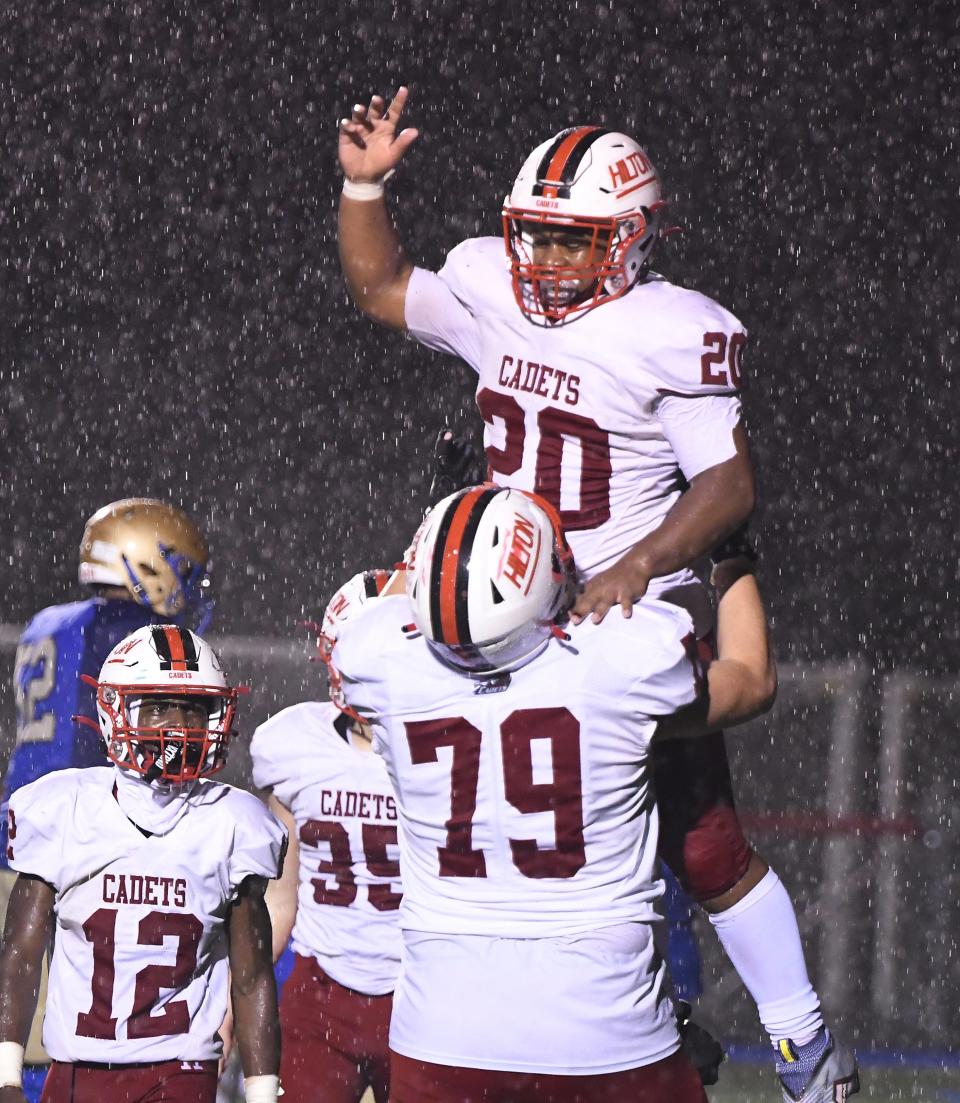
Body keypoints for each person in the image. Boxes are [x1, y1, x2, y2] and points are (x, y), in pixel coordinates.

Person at [336, 91, 857, 1102]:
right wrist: (364, 185)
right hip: (490, 612)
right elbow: (381, 285)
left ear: (629, 239)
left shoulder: (674, 330)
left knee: (702, 842)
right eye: (530, 234)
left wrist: (639, 562)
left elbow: (728, 484)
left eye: (572, 243)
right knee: (484, 838)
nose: (542, 261)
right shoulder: (491, 280)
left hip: (611, 622)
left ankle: (801, 1043)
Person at [327, 487, 776, 1102]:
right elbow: (751, 682)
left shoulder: (380, 660)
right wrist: (731, 560)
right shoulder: (621, 661)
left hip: (442, 1034)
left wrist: (435, 529)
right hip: (605, 1034)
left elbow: (425, 600)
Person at [0, 624, 285, 1103]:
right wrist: (6, 1075)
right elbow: (20, 955)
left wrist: (262, 1094)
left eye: (193, 709)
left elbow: (252, 975)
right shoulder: (63, 808)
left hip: (180, 1070)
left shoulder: (233, 822)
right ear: (116, 711)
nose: (177, 725)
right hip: (76, 1073)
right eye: (157, 707)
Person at [0, 498, 213, 1102]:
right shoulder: (127, 633)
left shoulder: (49, 619)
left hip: (22, 825)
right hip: (87, 831)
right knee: (91, 1016)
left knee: (30, 1009)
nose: (191, 588)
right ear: (144, 560)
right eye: (182, 568)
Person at [249, 570, 402, 1103]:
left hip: (426, 993)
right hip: (321, 994)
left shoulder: (453, 746)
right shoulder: (295, 746)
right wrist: (231, 1000)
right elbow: (280, 896)